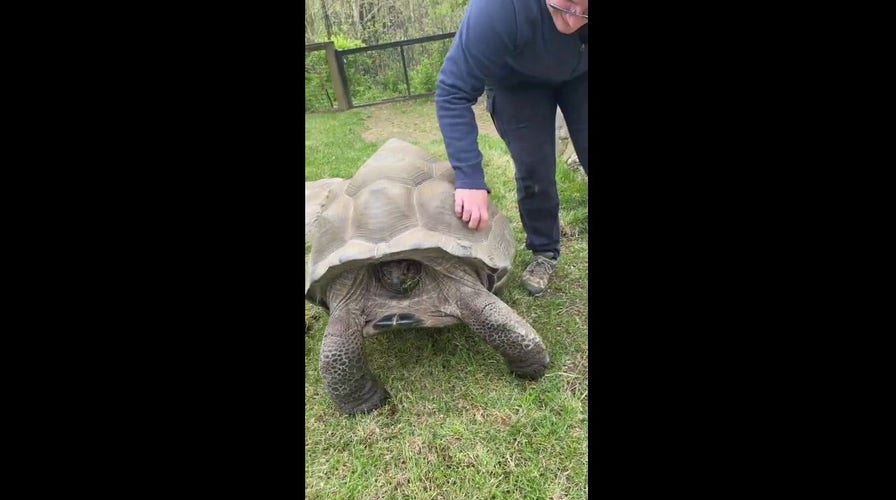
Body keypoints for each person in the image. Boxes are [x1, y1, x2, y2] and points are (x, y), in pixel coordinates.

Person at [436, 0, 589, 296]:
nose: (573, 22)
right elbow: (453, 91)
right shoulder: (499, 8)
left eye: (587, 12)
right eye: (567, 5)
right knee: (535, 169)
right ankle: (545, 251)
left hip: (582, 74)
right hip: (516, 82)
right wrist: (469, 179)